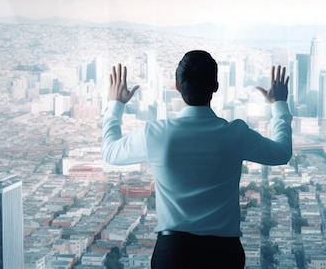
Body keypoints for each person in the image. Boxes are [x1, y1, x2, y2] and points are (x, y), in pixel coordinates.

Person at [102, 50, 292, 269]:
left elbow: (110, 152)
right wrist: (279, 104)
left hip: (173, 252)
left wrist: (116, 104)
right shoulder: (235, 134)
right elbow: (282, 153)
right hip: (224, 254)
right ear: (216, 86)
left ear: (176, 86)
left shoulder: (155, 134)